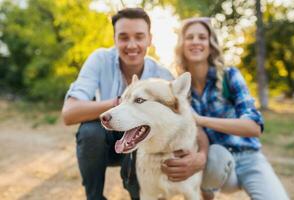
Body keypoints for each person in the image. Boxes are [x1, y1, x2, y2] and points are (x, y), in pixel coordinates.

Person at [62, 8, 208, 200]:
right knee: (90, 132)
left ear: (149, 39)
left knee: (143, 163)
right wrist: (120, 103)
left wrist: (201, 156)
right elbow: (69, 113)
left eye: (139, 36)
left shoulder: (163, 79)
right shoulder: (99, 60)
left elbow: (188, 119)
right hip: (105, 143)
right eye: (123, 37)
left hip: (141, 144)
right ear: (114, 38)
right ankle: (94, 197)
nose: (132, 45)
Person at [170, 17, 289, 200]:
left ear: (210, 44)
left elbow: (254, 127)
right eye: (190, 37)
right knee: (216, 155)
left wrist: (201, 120)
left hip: (249, 158)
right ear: (182, 44)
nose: (195, 41)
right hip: (214, 163)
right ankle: (205, 191)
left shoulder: (229, 75)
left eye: (202, 37)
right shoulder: (179, 88)